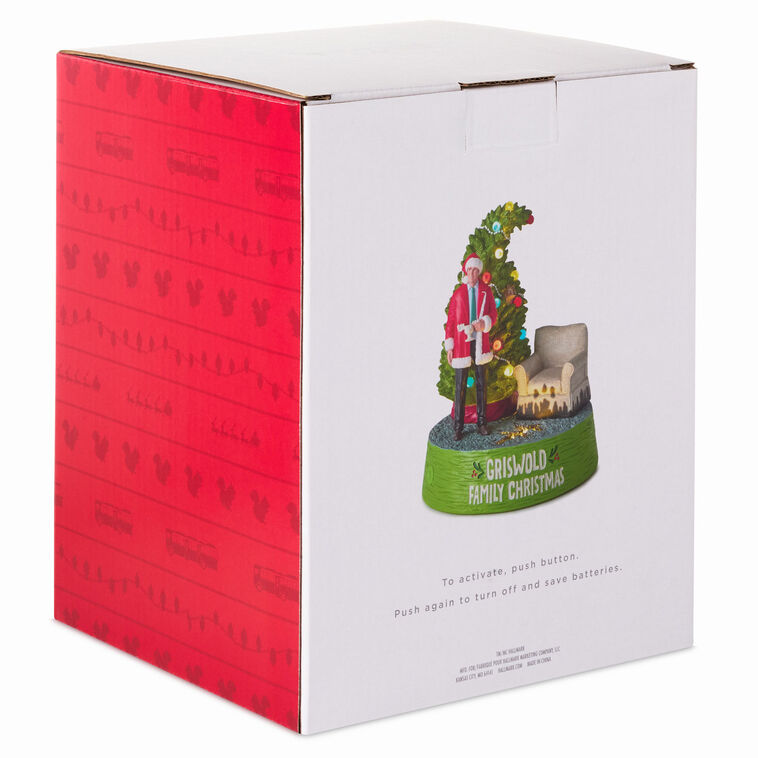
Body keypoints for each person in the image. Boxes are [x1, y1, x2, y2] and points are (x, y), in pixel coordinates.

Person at [444, 254, 498, 440]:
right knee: (460, 385)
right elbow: (451, 321)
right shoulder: (458, 294)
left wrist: (485, 322)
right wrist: (450, 346)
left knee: (482, 383)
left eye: (476, 270)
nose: (473, 273)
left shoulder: (486, 291)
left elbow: (493, 314)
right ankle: (458, 427)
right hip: (461, 344)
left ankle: (482, 423)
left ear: (479, 272)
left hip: (480, 342)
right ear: (466, 271)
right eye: (470, 270)